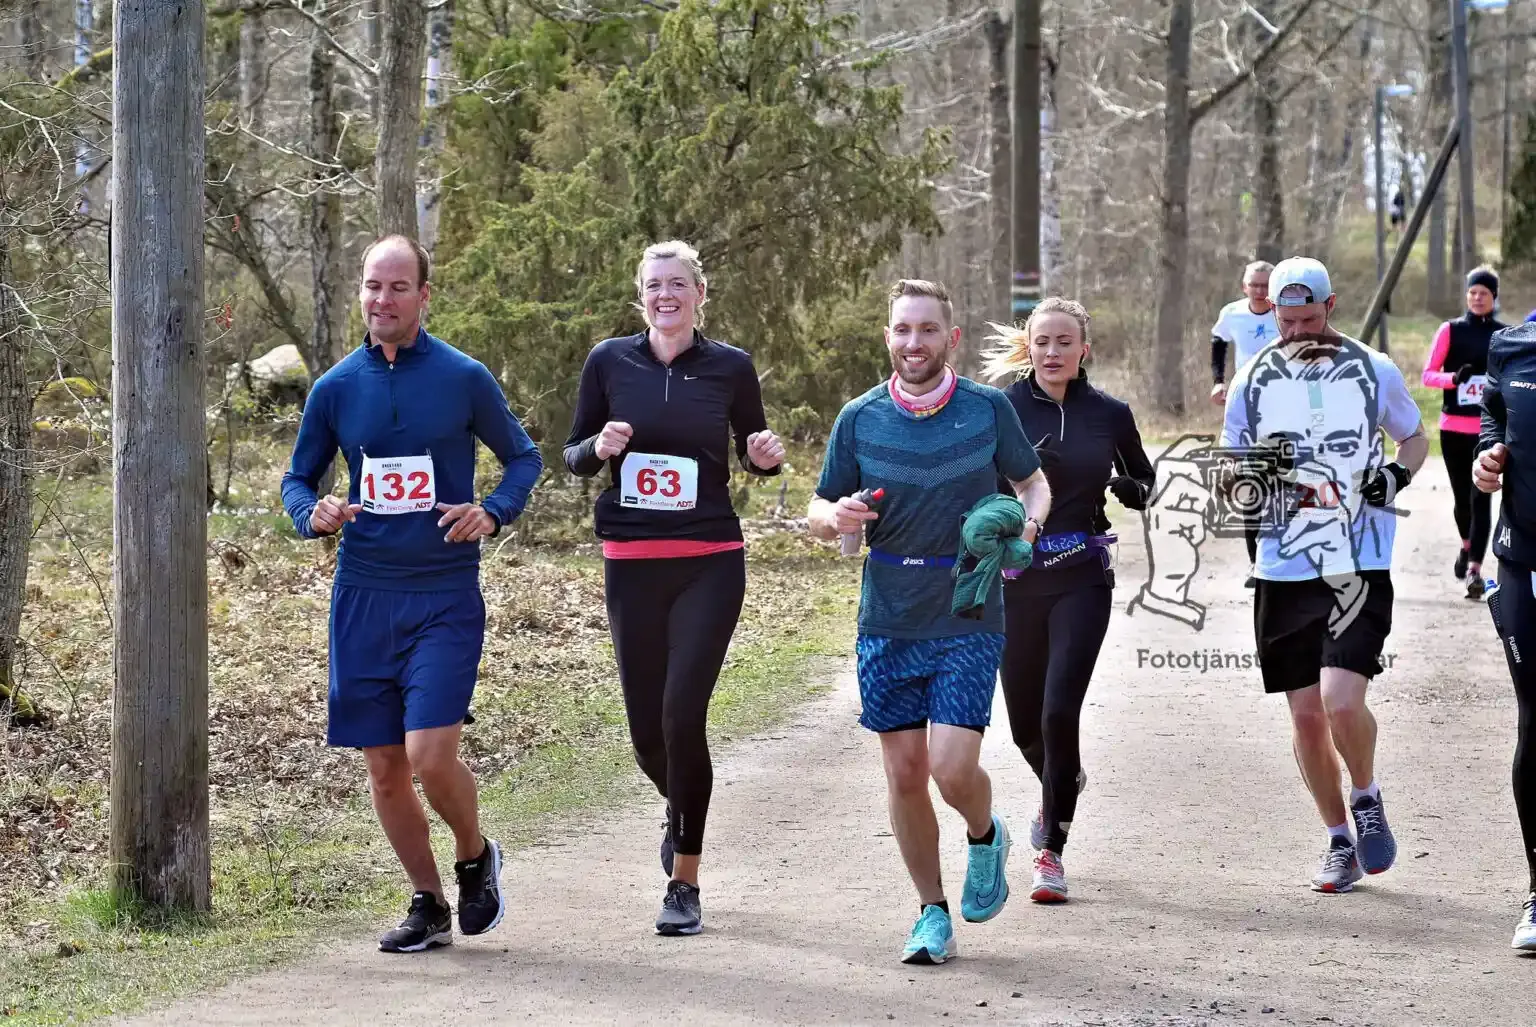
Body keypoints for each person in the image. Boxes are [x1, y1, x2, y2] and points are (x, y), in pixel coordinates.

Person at [280, 234, 544, 952]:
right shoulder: (335, 387)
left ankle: (474, 852)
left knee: (429, 754)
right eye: (372, 286)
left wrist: (492, 509)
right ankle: (427, 901)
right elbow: (298, 480)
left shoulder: (462, 378)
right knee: (385, 766)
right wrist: (314, 512)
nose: (383, 300)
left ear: (425, 296)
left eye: (399, 287)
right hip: (363, 595)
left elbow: (524, 457)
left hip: (443, 594)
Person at [807, 279, 1051, 966]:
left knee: (950, 765)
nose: (914, 343)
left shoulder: (987, 410)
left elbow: (1031, 482)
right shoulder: (859, 417)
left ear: (953, 338)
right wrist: (837, 518)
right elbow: (822, 508)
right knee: (906, 771)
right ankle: (931, 912)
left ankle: (984, 829)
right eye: (902, 330)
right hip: (887, 613)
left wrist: (1029, 526)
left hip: (969, 604)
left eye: (927, 330)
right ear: (888, 336)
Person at [562, 240, 785, 937]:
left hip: (708, 560)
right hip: (632, 562)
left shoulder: (730, 366)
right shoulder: (608, 361)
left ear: (699, 294)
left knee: (683, 715)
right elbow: (570, 455)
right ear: (641, 296)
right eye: (655, 284)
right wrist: (596, 448)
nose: (667, 295)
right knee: (647, 736)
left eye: (679, 284)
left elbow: (755, 447)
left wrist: (763, 458)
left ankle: (683, 879)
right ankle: (681, 803)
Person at [1219, 256, 1427, 894]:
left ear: (1331, 307)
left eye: (1310, 319)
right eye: (1287, 321)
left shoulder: (1374, 368)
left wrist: (1393, 477)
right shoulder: (1251, 380)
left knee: (1341, 700)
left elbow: (1414, 438)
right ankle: (1339, 839)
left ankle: (1365, 794)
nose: (1299, 331)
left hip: (1357, 559)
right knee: (1307, 716)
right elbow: (1230, 473)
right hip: (1282, 566)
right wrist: (1261, 478)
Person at [981, 298, 1155, 903]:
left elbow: (1144, 477)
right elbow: (973, 479)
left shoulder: (1109, 412)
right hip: (1014, 581)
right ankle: (1065, 779)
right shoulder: (1000, 408)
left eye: (1064, 342)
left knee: (1059, 712)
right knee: (1025, 722)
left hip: (1081, 576)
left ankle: (1051, 849)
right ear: (1027, 347)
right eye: (1042, 342)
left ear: (1085, 349)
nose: (1052, 352)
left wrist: (1134, 489)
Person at [1472, 320, 1536, 952]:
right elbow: (1494, 416)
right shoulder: (1512, 345)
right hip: (1524, 560)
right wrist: (1489, 457)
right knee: (1534, 722)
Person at [1422, 267, 1507, 599]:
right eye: (1472, 292)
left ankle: (1474, 569)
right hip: (1453, 427)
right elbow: (1428, 375)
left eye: (1483, 293)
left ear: (1493, 297)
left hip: (1488, 430)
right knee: (1462, 499)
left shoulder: (1505, 334)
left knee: (1481, 497)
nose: (1476, 297)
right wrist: (1454, 379)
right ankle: (1466, 544)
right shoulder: (1450, 330)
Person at [1209, 260, 1279, 587]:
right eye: (1255, 285)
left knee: (1283, 486)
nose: (1261, 291)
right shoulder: (1233, 313)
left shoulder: (1284, 314)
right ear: (1245, 286)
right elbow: (1218, 341)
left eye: (1267, 285)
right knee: (1251, 486)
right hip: (1246, 405)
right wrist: (1219, 381)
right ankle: (1256, 563)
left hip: (1284, 405)